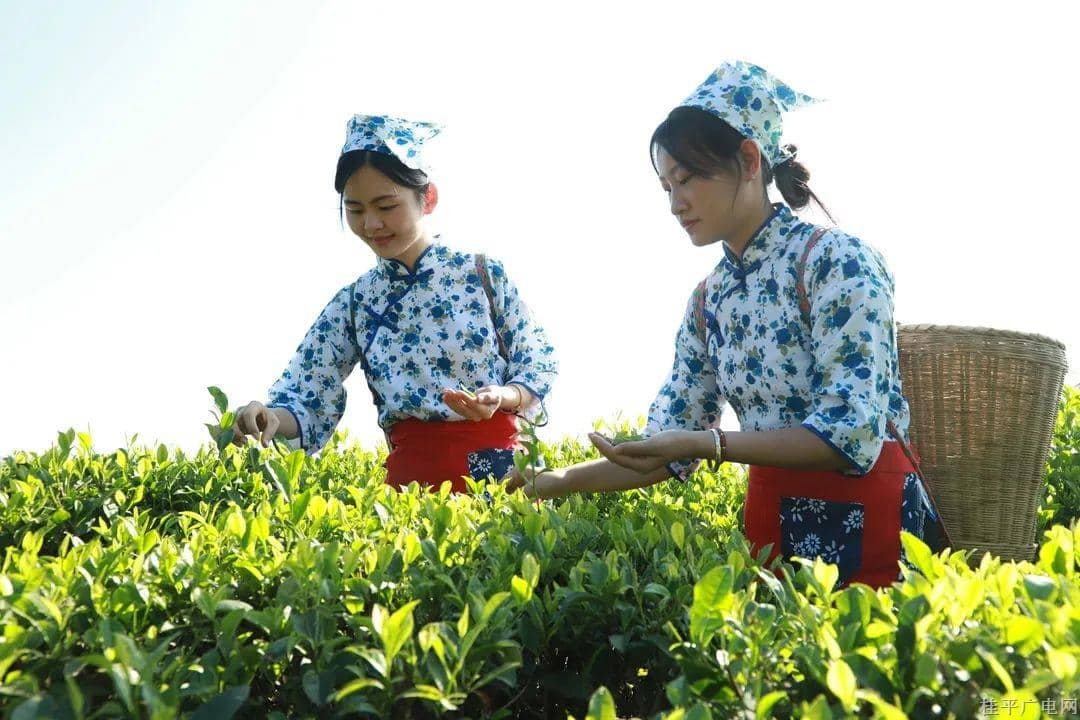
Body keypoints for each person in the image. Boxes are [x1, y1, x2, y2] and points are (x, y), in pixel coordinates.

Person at [512, 61, 942, 588]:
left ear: (748, 159)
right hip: (769, 525)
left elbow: (849, 434)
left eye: (688, 178)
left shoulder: (837, 261)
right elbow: (664, 447)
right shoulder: (709, 301)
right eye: (665, 186)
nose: (675, 203)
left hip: (873, 519)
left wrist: (707, 445)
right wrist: (560, 480)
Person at [232, 114, 558, 493]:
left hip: (504, 473)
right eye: (354, 210)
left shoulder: (482, 274)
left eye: (386, 206)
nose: (371, 224)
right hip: (411, 487)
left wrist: (504, 396)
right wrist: (267, 416)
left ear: (428, 198)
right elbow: (307, 395)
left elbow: (537, 359)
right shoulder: (354, 304)